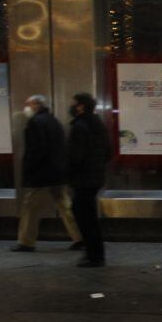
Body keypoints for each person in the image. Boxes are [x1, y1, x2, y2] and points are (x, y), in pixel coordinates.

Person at [10, 94, 83, 253]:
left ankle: (26, 242)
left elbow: (35, 150)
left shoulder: (35, 122)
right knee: (65, 205)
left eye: (29, 104)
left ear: (37, 105)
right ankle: (80, 237)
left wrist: (29, 171)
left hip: (42, 174)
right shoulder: (53, 120)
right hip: (58, 172)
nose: (26, 107)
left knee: (30, 208)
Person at [67, 93, 112, 268]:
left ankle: (94, 255)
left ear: (81, 106)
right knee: (89, 216)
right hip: (95, 177)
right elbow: (107, 152)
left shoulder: (80, 126)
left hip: (83, 179)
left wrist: (70, 173)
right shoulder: (98, 124)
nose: (71, 106)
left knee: (84, 217)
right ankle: (95, 253)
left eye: (74, 103)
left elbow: (75, 156)